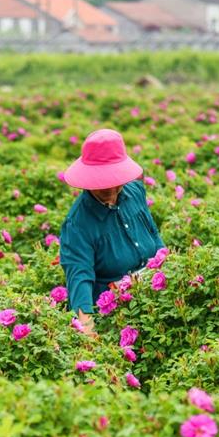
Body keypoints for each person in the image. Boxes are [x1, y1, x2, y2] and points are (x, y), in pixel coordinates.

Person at [58, 129, 165, 332]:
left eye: (114, 181)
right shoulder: (78, 224)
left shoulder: (135, 192)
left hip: (155, 297)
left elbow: (154, 236)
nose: (110, 189)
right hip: (115, 315)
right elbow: (79, 279)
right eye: (102, 182)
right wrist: (88, 331)